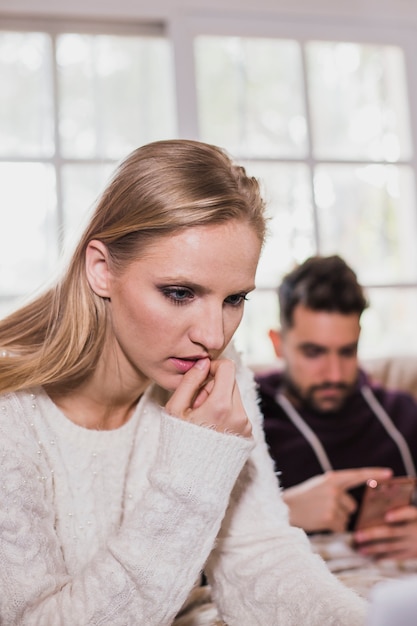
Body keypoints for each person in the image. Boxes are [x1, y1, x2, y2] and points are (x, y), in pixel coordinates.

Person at [0, 141, 366, 625]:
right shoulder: (12, 414)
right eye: (179, 293)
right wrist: (193, 473)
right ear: (101, 269)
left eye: (234, 298)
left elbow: (258, 552)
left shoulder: (209, 363)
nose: (213, 335)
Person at [256, 255, 417, 563]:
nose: (334, 374)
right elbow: (191, 553)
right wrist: (281, 512)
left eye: (347, 351)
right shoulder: (247, 421)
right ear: (278, 343)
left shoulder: (401, 413)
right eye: (314, 352)